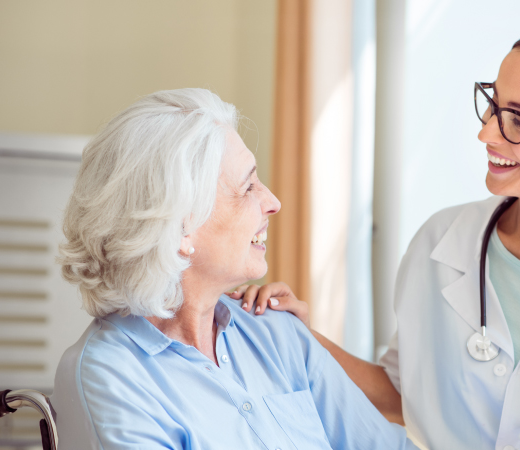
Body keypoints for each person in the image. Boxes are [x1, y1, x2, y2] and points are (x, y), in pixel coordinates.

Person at [235, 23, 520, 450]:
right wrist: (299, 336)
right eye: (494, 106)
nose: (486, 133)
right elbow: (402, 394)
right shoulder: (440, 243)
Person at [50, 88, 418, 450]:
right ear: (181, 226)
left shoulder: (277, 333)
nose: (273, 202)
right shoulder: (110, 376)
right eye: (248, 188)